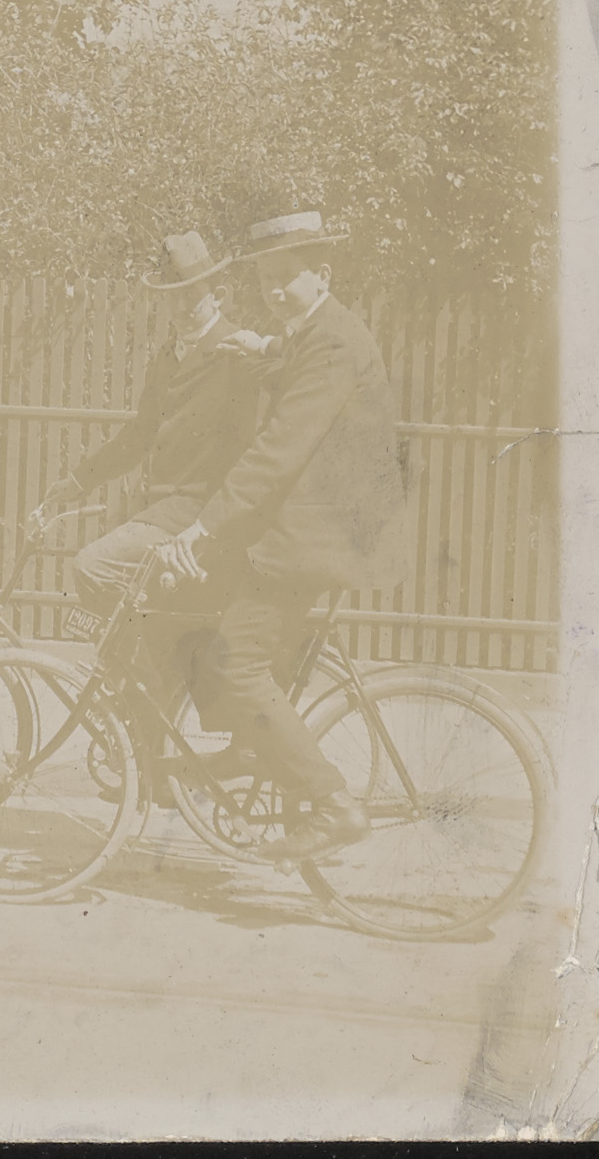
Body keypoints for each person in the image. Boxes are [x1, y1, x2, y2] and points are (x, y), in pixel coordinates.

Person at [157, 210, 409, 861]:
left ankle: (332, 804)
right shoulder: (318, 331)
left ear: (322, 274)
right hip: (313, 527)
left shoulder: (332, 343)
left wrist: (203, 524)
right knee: (245, 649)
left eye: (286, 277)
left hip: (318, 534)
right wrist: (262, 346)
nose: (273, 290)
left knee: (233, 660)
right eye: (265, 278)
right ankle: (253, 747)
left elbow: (279, 446)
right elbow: (293, 354)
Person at [39, 231, 261, 621]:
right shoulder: (167, 356)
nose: (181, 307)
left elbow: (255, 449)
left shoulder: (238, 352)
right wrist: (79, 480)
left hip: (200, 514)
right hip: (161, 511)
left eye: (191, 295)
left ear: (218, 295)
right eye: (172, 296)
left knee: (92, 567)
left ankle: (151, 655)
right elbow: (140, 435)